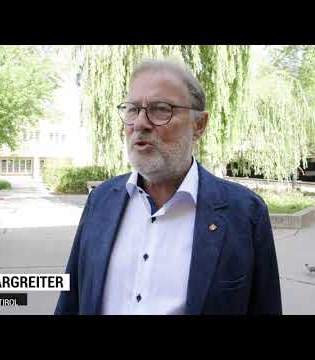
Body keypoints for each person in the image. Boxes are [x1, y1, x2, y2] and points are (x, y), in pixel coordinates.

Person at [55, 59, 282, 315]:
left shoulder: (245, 213)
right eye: (132, 110)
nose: (140, 123)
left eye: (160, 109)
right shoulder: (100, 200)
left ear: (199, 125)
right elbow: (70, 301)